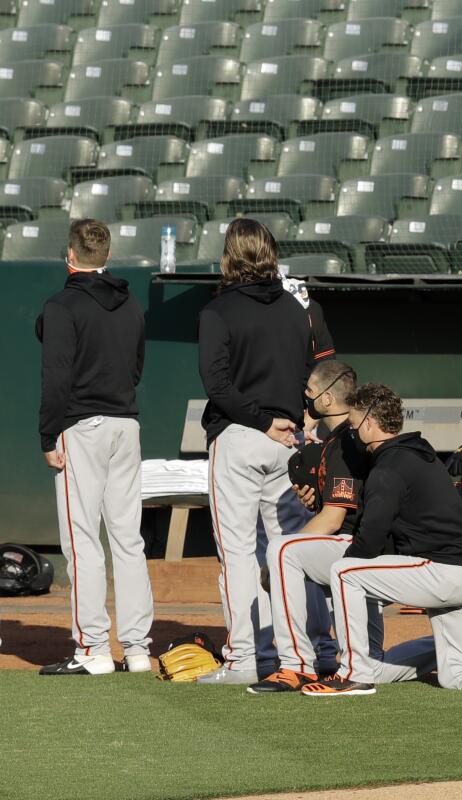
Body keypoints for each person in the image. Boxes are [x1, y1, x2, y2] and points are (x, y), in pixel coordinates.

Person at [302, 385, 462, 696]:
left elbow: (368, 545)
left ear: (370, 426)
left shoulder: (387, 469)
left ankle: (353, 674)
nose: (350, 432)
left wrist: (331, 572)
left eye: (354, 424)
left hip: (446, 574)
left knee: (343, 572)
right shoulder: (420, 451)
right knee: (455, 675)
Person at [36, 219, 154, 675]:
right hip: (126, 424)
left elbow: (56, 378)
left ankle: (93, 649)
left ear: (70, 256)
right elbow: (137, 367)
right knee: (128, 539)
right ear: (106, 256)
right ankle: (139, 649)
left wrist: (48, 435)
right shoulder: (131, 303)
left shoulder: (62, 304)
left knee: (82, 540)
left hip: (81, 426)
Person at [197, 218, 311, 684]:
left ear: (229, 255)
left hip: (243, 435)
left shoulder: (218, 310)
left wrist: (261, 421)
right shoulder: (292, 308)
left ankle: (246, 658)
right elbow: (307, 375)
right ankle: (304, 652)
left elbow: (217, 384)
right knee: (292, 552)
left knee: (240, 554)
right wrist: (282, 423)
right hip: (289, 439)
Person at [250, 360, 382, 693]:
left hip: (363, 547)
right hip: (366, 543)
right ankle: (335, 655)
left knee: (281, 550)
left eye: (309, 391)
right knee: (379, 662)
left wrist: (276, 558)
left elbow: (335, 519)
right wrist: (318, 501)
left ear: (326, 400)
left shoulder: (345, 443)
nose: (305, 397)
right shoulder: (337, 439)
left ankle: (296, 666)